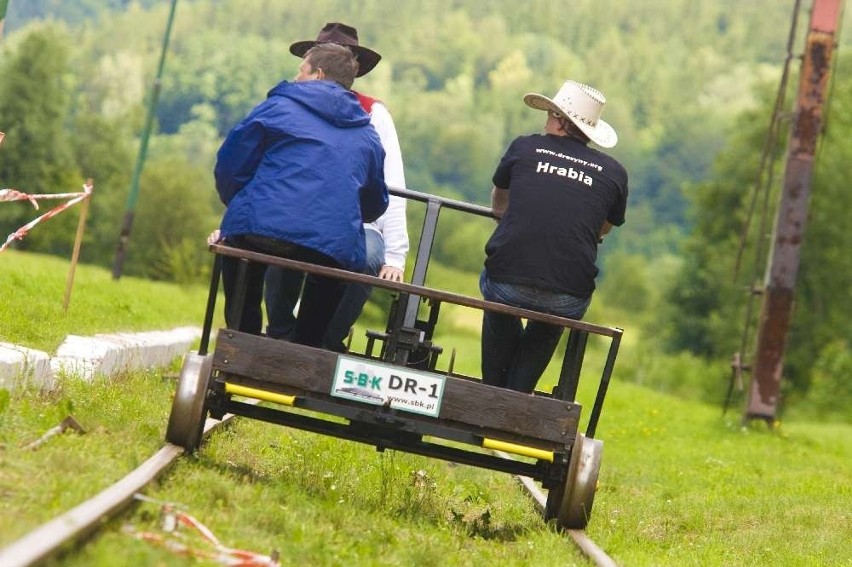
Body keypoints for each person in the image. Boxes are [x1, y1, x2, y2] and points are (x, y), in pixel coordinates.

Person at [214, 42, 388, 348]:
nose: (295, 78)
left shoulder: (277, 108)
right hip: (329, 245)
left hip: (261, 227)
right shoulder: (367, 134)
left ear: (317, 74)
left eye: (300, 71)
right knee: (334, 266)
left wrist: (242, 202)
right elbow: (375, 204)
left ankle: (243, 341)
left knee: (239, 247)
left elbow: (231, 165)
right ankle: (306, 350)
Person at [264, 22, 409, 352]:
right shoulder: (289, 104)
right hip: (299, 212)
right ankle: (280, 333)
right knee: (281, 236)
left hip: (359, 221)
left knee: (371, 256)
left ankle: (326, 341)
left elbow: (393, 185)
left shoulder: (374, 113)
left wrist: (395, 256)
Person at [480, 80, 628, 393]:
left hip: (507, 279)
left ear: (561, 122)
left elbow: (498, 203)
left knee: (498, 295)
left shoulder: (525, 147)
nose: (545, 119)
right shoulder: (614, 172)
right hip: (568, 293)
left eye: (550, 113)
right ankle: (517, 394)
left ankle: (494, 392)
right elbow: (603, 228)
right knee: (552, 319)